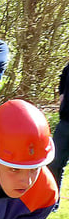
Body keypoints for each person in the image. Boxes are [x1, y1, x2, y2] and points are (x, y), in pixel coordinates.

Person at [49, 59, 69, 192]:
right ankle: (51, 201)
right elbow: (63, 76)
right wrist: (62, 94)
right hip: (66, 120)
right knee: (54, 162)